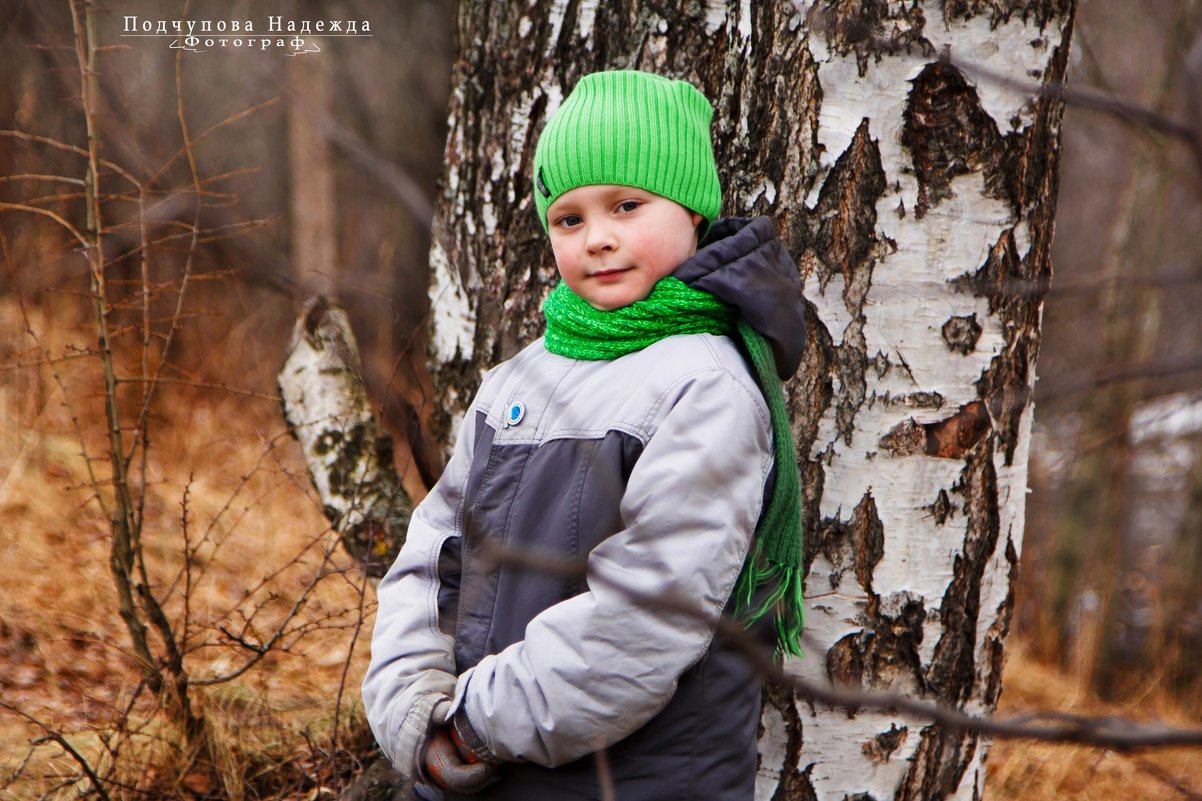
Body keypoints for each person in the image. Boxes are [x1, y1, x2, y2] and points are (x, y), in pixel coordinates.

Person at [362, 69, 807, 801]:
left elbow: (646, 615)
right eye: (568, 219)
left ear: (692, 209)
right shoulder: (518, 380)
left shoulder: (707, 384)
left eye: (626, 205)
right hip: (488, 768)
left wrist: (472, 728)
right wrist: (414, 704)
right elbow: (435, 556)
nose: (597, 237)